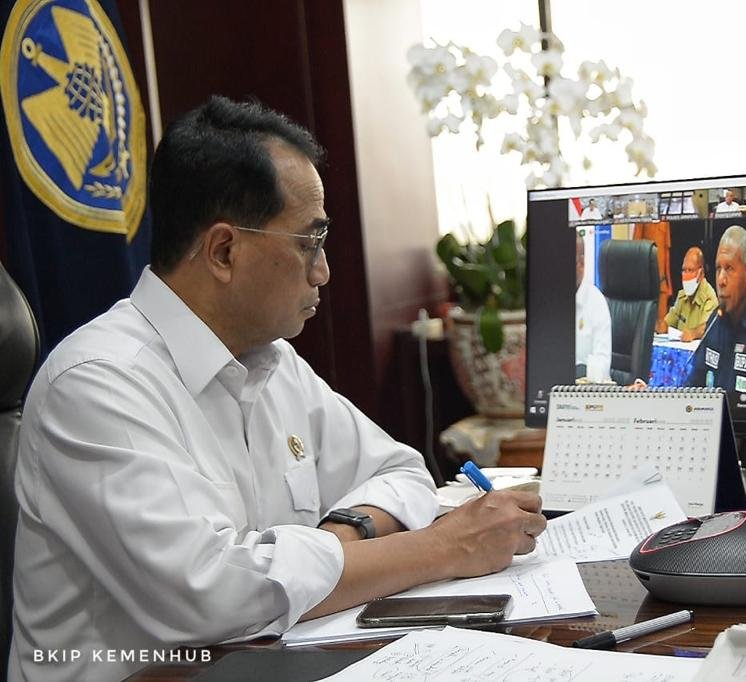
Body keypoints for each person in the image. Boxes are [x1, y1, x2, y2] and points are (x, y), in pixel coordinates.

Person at [8, 97, 547, 682]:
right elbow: (214, 597)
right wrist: (446, 547)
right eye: (308, 243)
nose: (323, 272)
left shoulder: (272, 360)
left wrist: (343, 534)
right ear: (223, 251)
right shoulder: (97, 382)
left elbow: (401, 473)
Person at [685, 226, 746, 393]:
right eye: (718, 269)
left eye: (729, 268)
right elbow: (692, 388)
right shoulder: (714, 322)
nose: (721, 280)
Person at [575, 232, 612, 382]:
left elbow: (602, 365)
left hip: (589, 397)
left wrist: (577, 370)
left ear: (581, 265)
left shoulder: (596, 302)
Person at [664, 247, 718, 341]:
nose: (686, 274)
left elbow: (706, 328)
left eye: (690, 270)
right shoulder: (682, 296)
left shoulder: (709, 297)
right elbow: (668, 323)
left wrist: (692, 334)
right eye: (684, 270)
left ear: (701, 273)